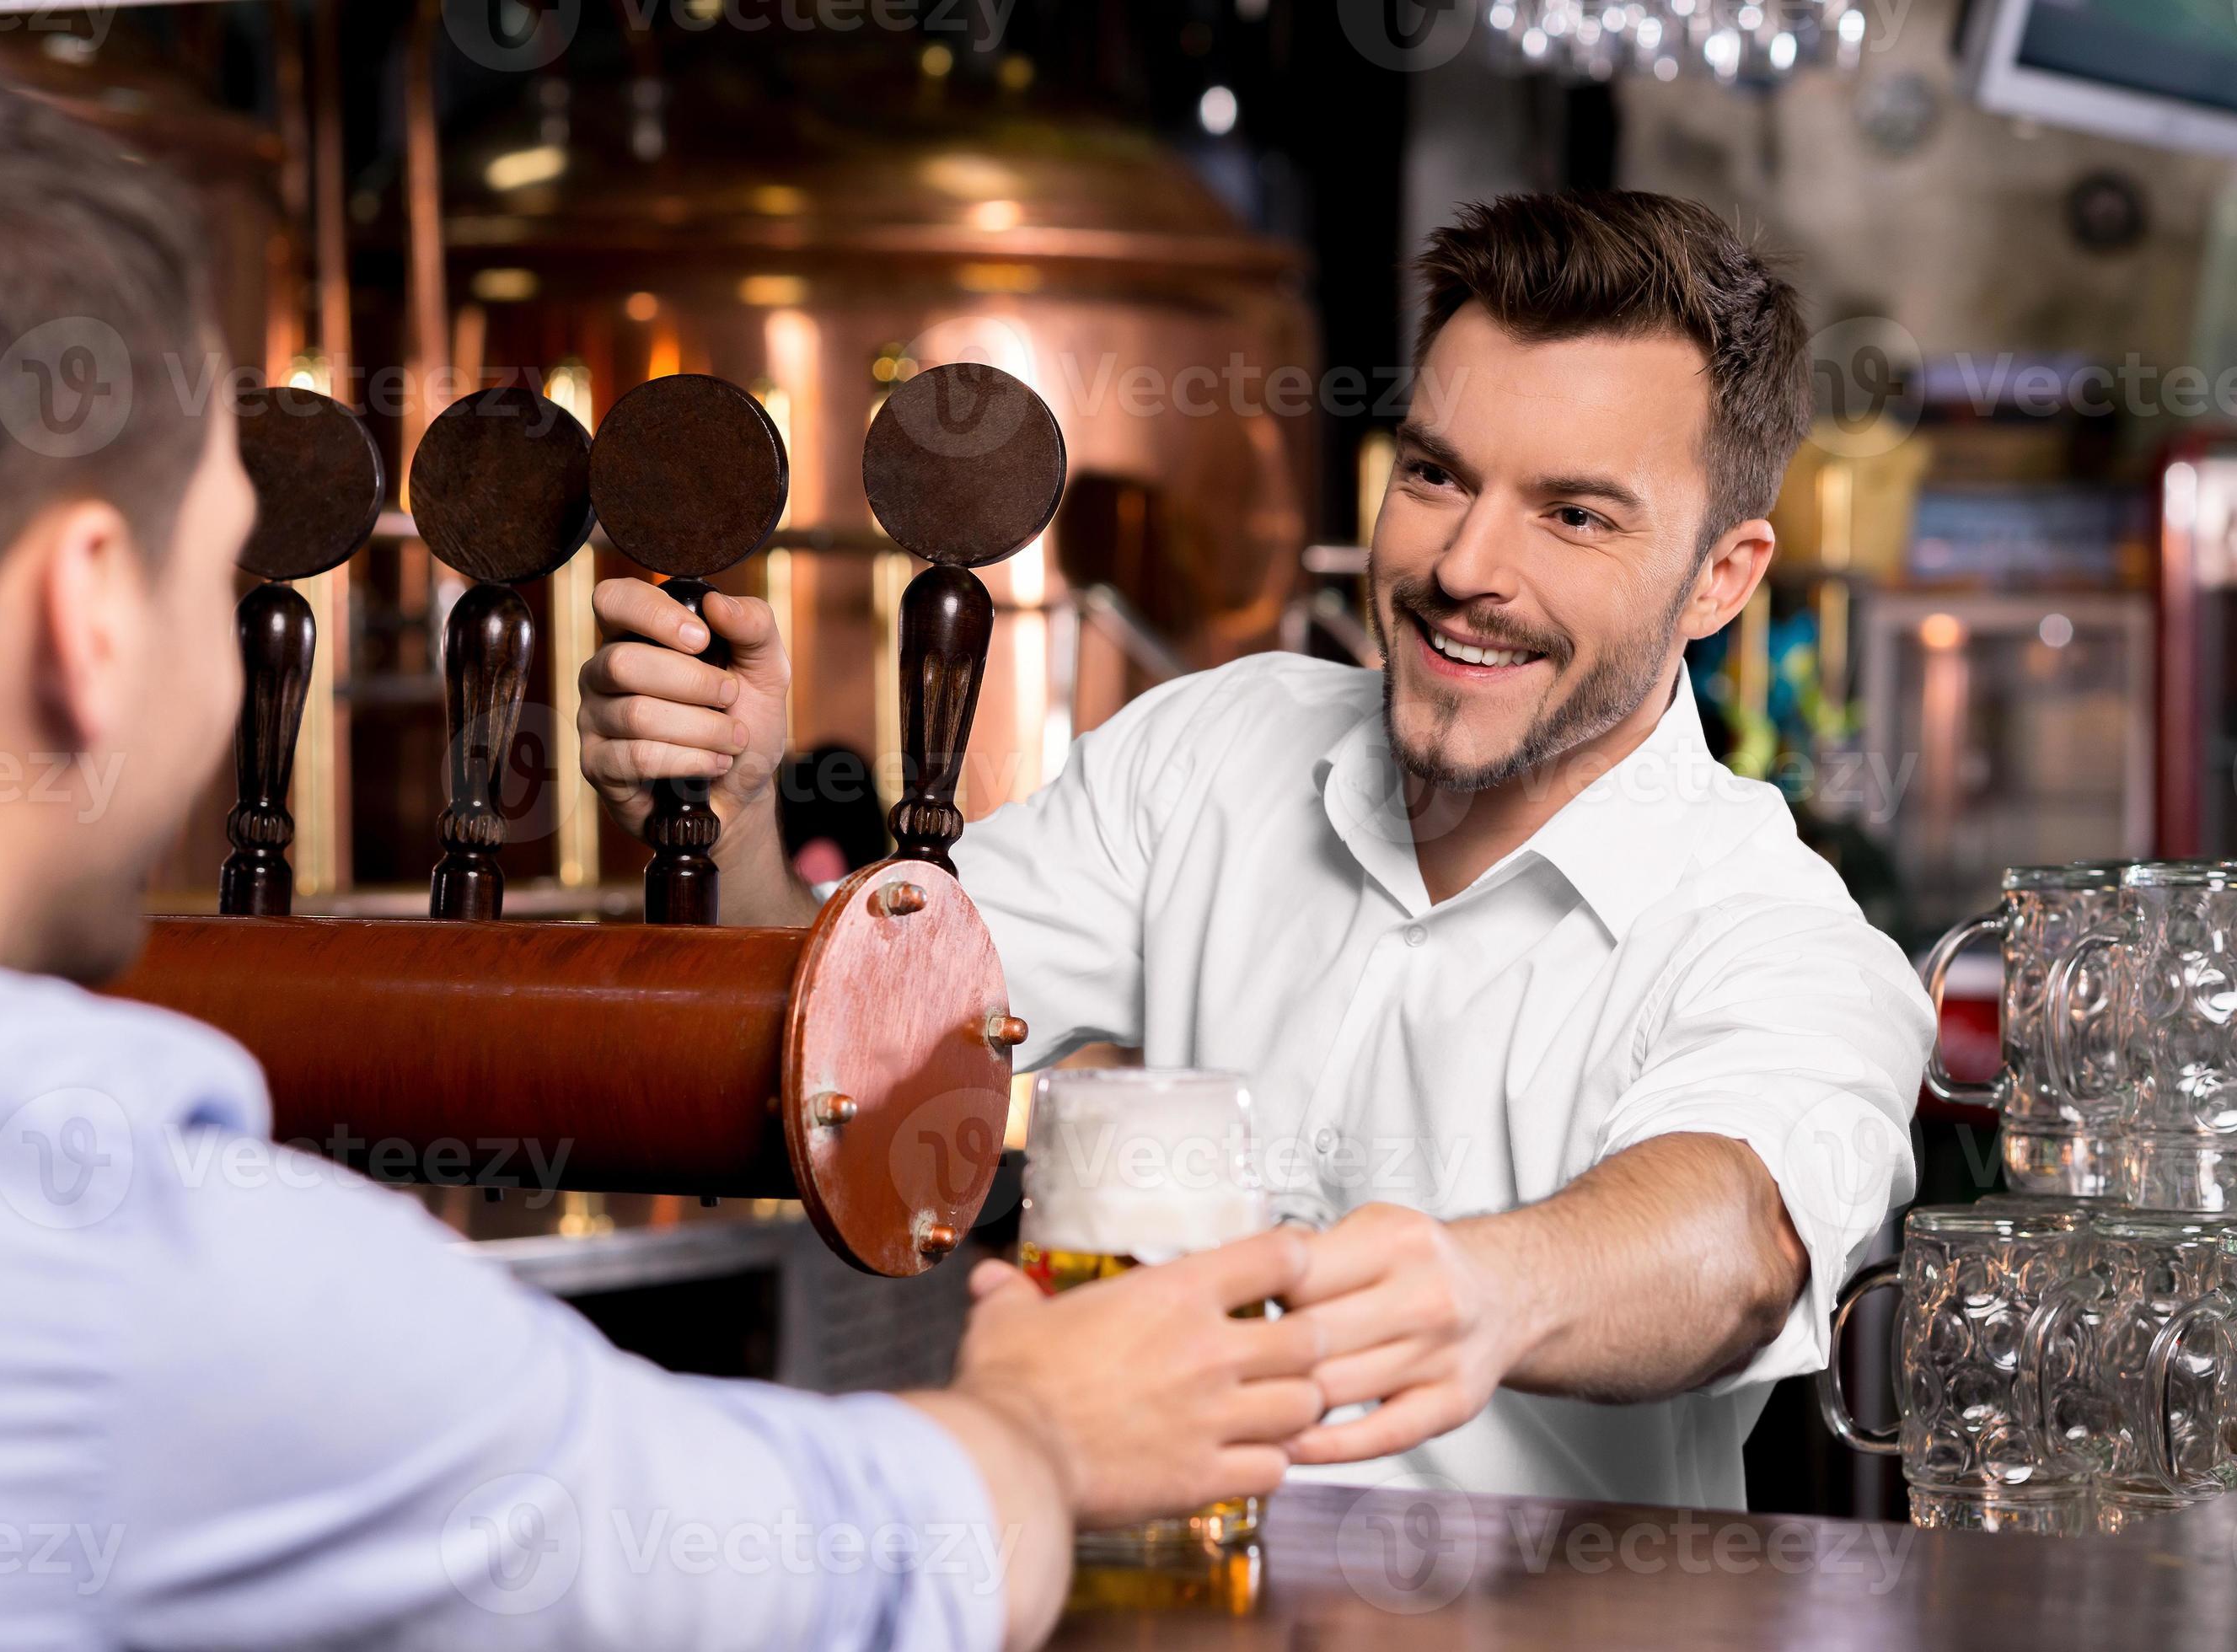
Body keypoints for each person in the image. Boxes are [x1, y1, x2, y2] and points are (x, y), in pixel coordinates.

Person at [0, 52, 1327, 1650]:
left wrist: (740, 828)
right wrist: (1040, 1428)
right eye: (214, 570)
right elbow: (816, 1566)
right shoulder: (166, 1292)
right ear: (87, 615)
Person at [582, 191, 1935, 1510]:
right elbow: (863, 1058)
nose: (1466, 564)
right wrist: (736, 818)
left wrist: (1489, 1290)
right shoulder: (1215, 750)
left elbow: (1737, 1240)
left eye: (1573, 514)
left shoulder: (1782, 937)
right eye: (1435, 474)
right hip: (1134, 1608)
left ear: (1721, 576)